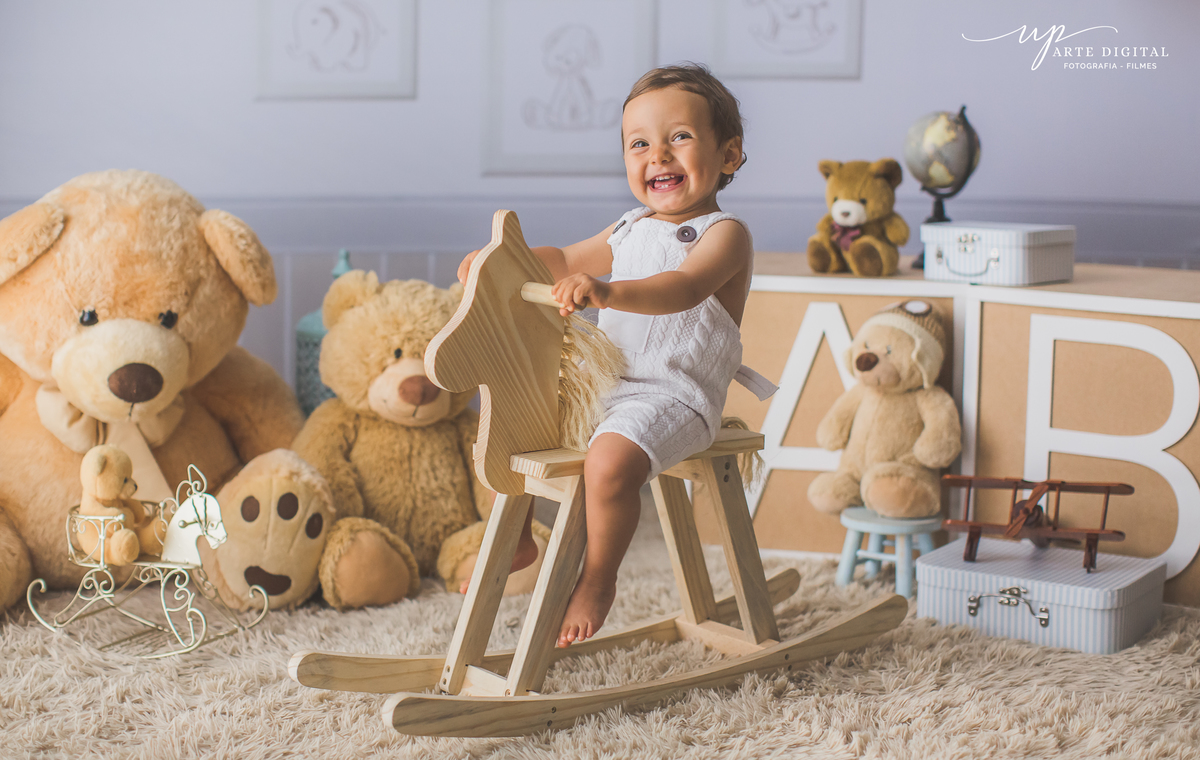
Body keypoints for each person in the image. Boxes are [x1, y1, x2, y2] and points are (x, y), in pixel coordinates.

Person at [458, 63, 774, 648]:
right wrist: (500, 262)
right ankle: (522, 536)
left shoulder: (724, 234)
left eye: (680, 137)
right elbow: (563, 259)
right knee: (520, 419)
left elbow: (682, 288)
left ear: (728, 155)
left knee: (606, 465)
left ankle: (598, 579)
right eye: (639, 144)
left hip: (675, 394)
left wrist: (607, 292)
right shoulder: (630, 226)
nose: (658, 155)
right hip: (608, 383)